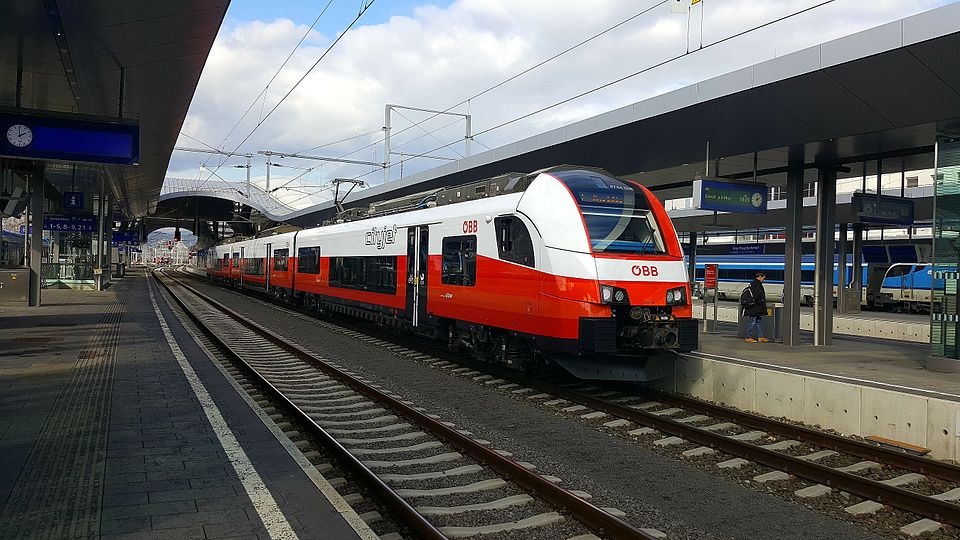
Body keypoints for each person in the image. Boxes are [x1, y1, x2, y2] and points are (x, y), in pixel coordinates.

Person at [742, 271, 768, 343]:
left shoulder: (754, 283)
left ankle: (760, 336)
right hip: (755, 307)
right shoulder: (757, 285)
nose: (764, 280)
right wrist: (760, 304)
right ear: (759, 277)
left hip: (756, 307)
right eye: (763, 278)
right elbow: (757, 296)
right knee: (752, 321)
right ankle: (748, 337)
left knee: (759, 321)